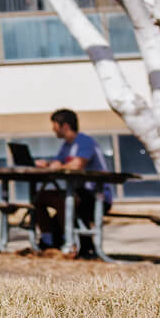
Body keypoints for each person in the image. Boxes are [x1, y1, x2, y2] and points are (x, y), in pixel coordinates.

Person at [29, 108, 111, 256]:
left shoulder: (84, 141)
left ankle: (72, 244)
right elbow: (58, 163)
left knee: (64, 201)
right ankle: (47, 241)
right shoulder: (67, 145)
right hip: (76, 192)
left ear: (65, 126)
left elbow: (77, 164)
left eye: (54, 125)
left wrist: (58, 166)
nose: (53, 129)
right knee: (39, 198)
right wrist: (48, 164)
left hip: (96, 195)